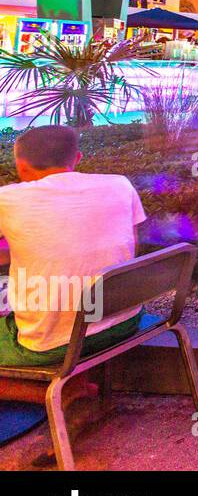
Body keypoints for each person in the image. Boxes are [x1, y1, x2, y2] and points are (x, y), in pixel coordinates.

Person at [0, 126, 148, 368]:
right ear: (77, 158)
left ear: (21, 165)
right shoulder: (120, 185)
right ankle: (73, 386)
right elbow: (131, 246)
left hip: (50, 344)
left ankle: (60, 393)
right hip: (123, 322)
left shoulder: (7, 199)